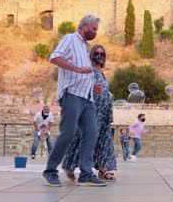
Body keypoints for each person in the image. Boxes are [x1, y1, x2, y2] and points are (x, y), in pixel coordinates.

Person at [42, 14, 107, 187]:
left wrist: (93, 87)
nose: (95, 32)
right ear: (84, 26)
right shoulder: (70, 39)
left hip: (88, 98)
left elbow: (83, 74)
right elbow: (54, 57)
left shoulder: (85, 47)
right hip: (72, 95)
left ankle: (86, 174)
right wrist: (77, 69)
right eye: (93, 29)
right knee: (68, 133)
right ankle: (50, 170)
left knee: (91, 133)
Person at [62, 44, 117, 182]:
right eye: (96, 53)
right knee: (83, 138)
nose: (99, 56)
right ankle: (69, 165)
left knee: (104, 139)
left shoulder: (101, 72)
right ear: (91, 55)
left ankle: (103, 168)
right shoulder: (88, 70)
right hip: (92, 110)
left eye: (102, 54)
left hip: (104, 113)